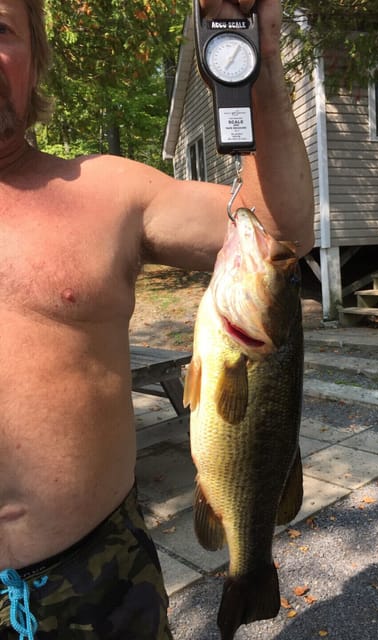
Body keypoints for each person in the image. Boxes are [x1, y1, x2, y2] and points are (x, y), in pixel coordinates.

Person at [0, 0, 314, 637]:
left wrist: (258, 61)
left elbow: (276, 233)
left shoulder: (108, 192)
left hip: (100, 589)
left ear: (34, 58)